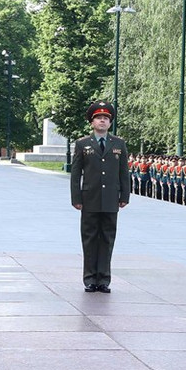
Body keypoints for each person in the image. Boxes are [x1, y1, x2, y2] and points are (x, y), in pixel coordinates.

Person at [70, 101, 129, 293]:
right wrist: (76, 198)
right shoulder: (82, 144)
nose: (102, 121)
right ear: (92, 122)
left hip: (111, 199)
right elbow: (76, 173)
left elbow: (123, 173)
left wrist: (125, 196)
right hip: (90, 198)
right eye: (98, 118)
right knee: (89, 239)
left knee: (107, 239)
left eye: (105, 118)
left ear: (110, 123)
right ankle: (89, 279)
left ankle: (103, 279)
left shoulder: (119, 144)